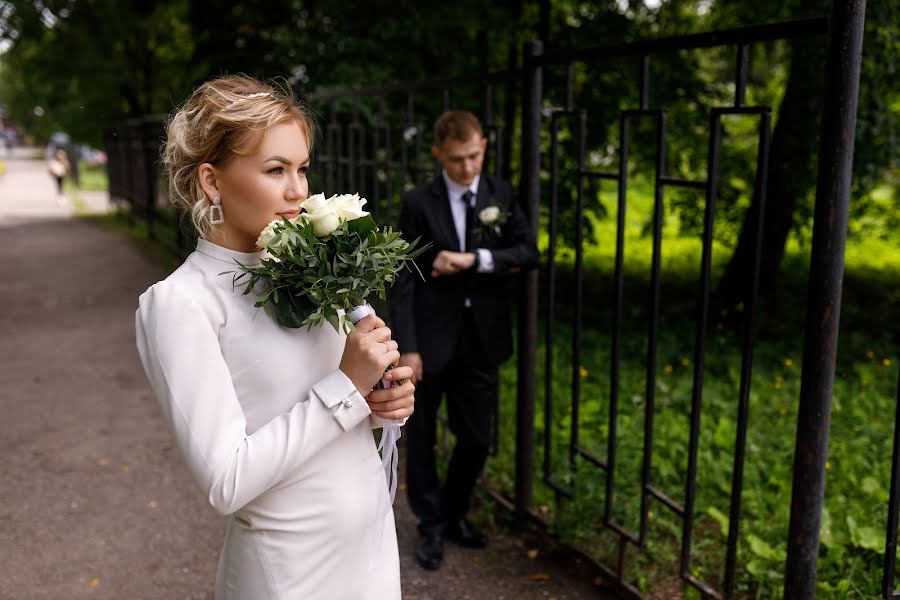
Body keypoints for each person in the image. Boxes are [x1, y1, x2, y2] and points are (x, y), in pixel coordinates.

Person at [134, 76, 415, 599]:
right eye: (275, 170)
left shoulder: (311, 266)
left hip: (372, 551)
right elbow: (226, 482)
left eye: (302, 168)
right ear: (212, 180)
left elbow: (343, 413)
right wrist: (346, 389)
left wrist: (382, 398)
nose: (298, 190)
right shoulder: (182, 303)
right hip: (289, 573)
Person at [389, 110, 538, 570]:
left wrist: (474, 259)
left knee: (476, 437)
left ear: (484, 147)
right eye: (457, 160)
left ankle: (455, 511)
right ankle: (430, 524)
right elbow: (403, 277)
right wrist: (408, 347)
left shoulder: (500, 194)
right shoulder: (417, 202)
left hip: (482, 338)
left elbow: (527, 251)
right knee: (424, 434)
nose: (467, 167)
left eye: (473, 156)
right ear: (439, 156)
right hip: (430, 340)